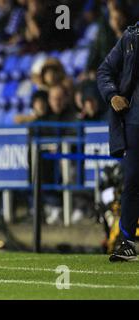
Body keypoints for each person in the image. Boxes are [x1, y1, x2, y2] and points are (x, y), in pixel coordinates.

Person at [97, 21, 139, 262]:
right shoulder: (132, 35)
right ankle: (127, 243)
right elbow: (104, 71)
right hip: (135, 120)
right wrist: (112, 94)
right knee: (132, 181)